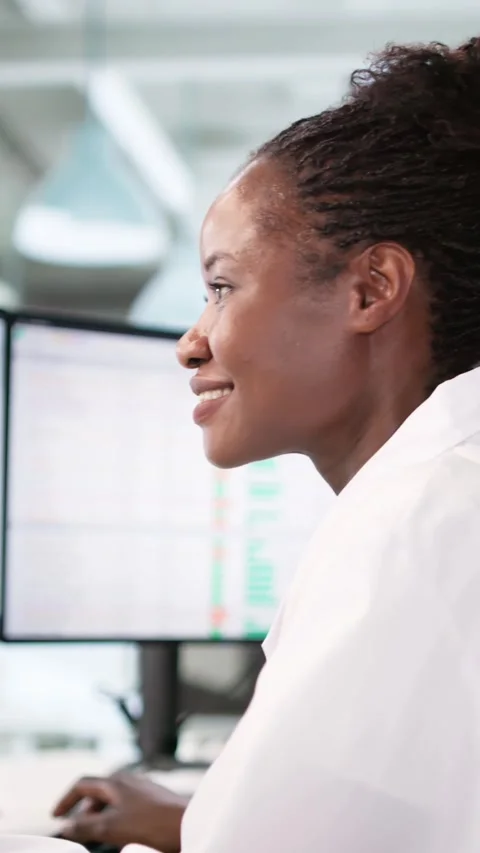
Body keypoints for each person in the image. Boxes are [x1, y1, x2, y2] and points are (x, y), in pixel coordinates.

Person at [55, 35, 480, 852]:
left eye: (222, 287)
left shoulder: (413, 527)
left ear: (370, 289)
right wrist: (198, 820)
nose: (190, 341)